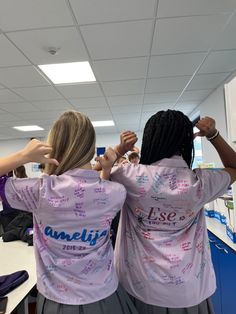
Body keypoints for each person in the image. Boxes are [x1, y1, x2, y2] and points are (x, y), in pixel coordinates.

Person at [0, 111, 138, 314]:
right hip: (106, 295)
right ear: (91, 147)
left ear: (54, 147)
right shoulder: (115, 192)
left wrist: (23, 156)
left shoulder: (40, 190)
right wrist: (111, 160)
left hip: (58, 301)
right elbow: (89, 185)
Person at [106, 110, 236, 314]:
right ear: (187, 143)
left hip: (141, 288)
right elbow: (234, 166)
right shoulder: (200, 183)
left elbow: (99, 175)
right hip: (189, 291)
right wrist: (213, 135)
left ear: (149, 141)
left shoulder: (129, 176)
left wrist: (119, 149)